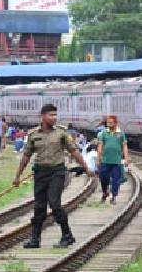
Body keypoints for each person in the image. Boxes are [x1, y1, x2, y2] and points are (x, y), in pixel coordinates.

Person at [14, 104, 96, 249]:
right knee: (39, 206)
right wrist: (17, 176)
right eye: (51, 115)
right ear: (43, 116)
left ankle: (67, 235)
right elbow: (26, 156)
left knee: (54, 203)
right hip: (40, 173)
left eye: (55, 115)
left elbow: (74, 151)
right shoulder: (33, 134)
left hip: (57, 172)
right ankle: (35, 239)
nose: (54, 118)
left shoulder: (61, 133)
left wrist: (86, 168)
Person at [97, 115, 130, 204]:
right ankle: (105, 192)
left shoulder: (121, 134)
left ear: (115, 123)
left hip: (116, 161)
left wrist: (126, 159)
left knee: (116, 180)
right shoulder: (103, 133)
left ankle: (114, 196)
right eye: (108, 123)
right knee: (103, 178)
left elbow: (124, 146)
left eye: (111, 123)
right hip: (105, 161)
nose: (109, 124)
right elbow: (100, 146)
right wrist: (98, 158)